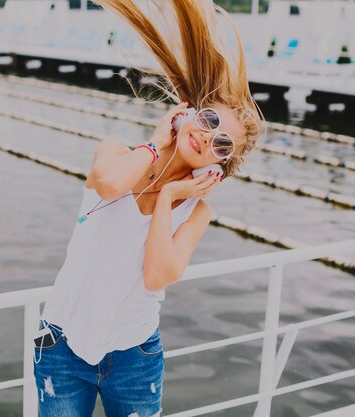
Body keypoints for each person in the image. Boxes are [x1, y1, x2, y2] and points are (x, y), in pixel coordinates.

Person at [33, 1, 264, 416]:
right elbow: (111, 184)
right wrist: (158, 141)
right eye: (209, 120)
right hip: (61, 347)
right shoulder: (115, 152)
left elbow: (157, 274)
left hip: (133, 358)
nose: (208, 138)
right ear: (189, 114)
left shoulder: (196, 212)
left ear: (219, 166)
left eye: (222, 145)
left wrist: (171, 198)